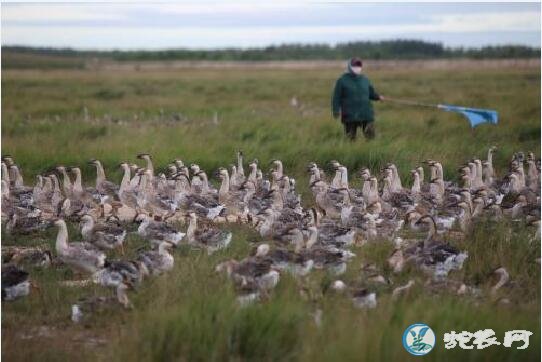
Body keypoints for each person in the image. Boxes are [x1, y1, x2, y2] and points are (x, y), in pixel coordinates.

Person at [331, 58, 384, 141]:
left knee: (371, 138)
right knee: (350, 139)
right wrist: (336, 111)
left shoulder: (365, 79)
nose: (357, 67)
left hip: (366, 113)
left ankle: (371, 151)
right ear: (349, 66)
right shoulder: (342, 80)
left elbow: (371, 94)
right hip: (350, 115)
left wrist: (378, 97)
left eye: (359, 65)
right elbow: (336, 97)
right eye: (355, 65)